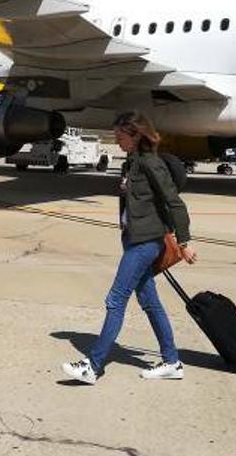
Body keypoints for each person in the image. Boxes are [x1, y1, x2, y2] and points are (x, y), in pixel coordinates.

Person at [62, 111, 196, 384]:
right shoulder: (132, 163)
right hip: (134, 239)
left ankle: (93, 366)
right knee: (150, 302)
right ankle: (172, 361)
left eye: (120, 136)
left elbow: (174, 202)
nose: (117, 140)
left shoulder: (150, 163)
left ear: (135, 135)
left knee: (116, 299)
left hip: (145, 243)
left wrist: (183, 242)